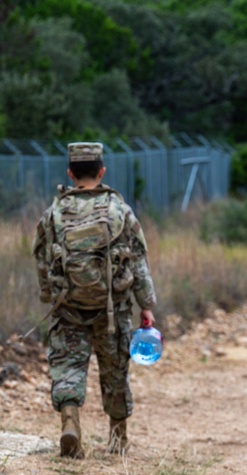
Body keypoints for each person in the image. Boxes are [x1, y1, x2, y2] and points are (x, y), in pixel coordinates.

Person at [33, 142, 157, 458]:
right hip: (112, 309)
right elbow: (138, 260)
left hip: (69, 307)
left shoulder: (55, 212)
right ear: (102, 171)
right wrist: (146, 305)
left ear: (70, 173)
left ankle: (70, 422)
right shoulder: (120, 211)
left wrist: (50, 297)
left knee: (67, 367)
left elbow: (42, 259)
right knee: (115, 370)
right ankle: (118, 439)